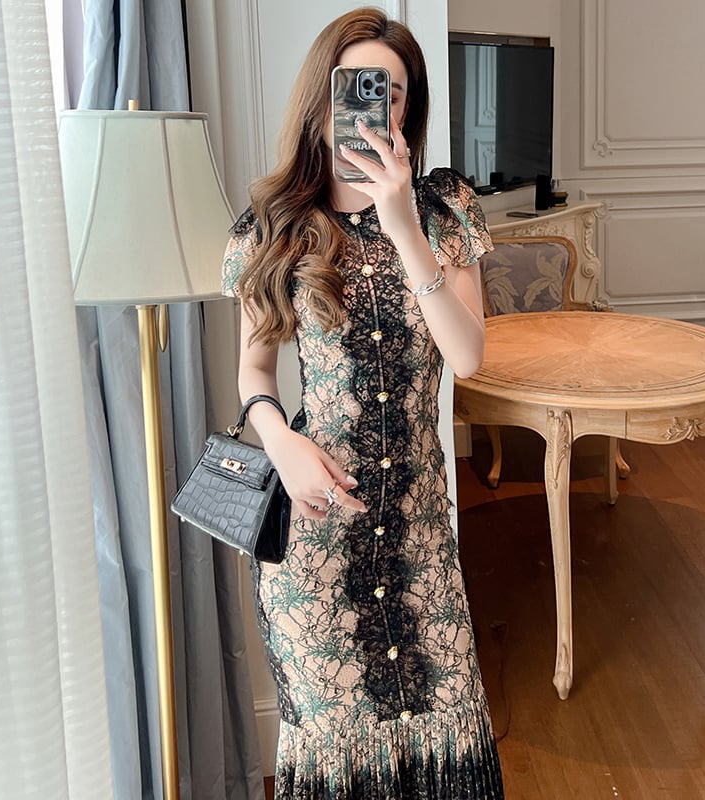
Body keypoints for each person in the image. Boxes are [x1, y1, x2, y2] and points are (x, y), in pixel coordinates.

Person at [221, 7, 504, 798]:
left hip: (420, 535)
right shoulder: (274, 225)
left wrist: (402, 224)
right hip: (316, 540)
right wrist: (281, 443)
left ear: (407, 108)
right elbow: (254, 372)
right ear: (323, 96)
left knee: (450, 747)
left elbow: (468, 357)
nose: (377, 104)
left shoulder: (443, 209)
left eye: (394, 90)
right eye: (357, 86)